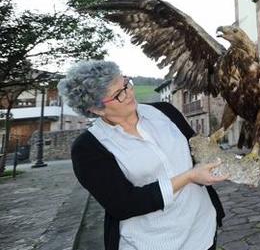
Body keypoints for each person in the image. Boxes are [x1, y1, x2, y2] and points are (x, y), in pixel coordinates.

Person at [59, 60, 227, 250]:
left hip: (202, 229)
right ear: (96, 109)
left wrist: (231, 165)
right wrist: (189, 176)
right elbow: (124, 204)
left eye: (126, 84)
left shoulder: (165, 112)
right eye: (118, 94)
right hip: (153, 243)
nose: (129, 93)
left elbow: (197, 150)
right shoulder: (88, 148)